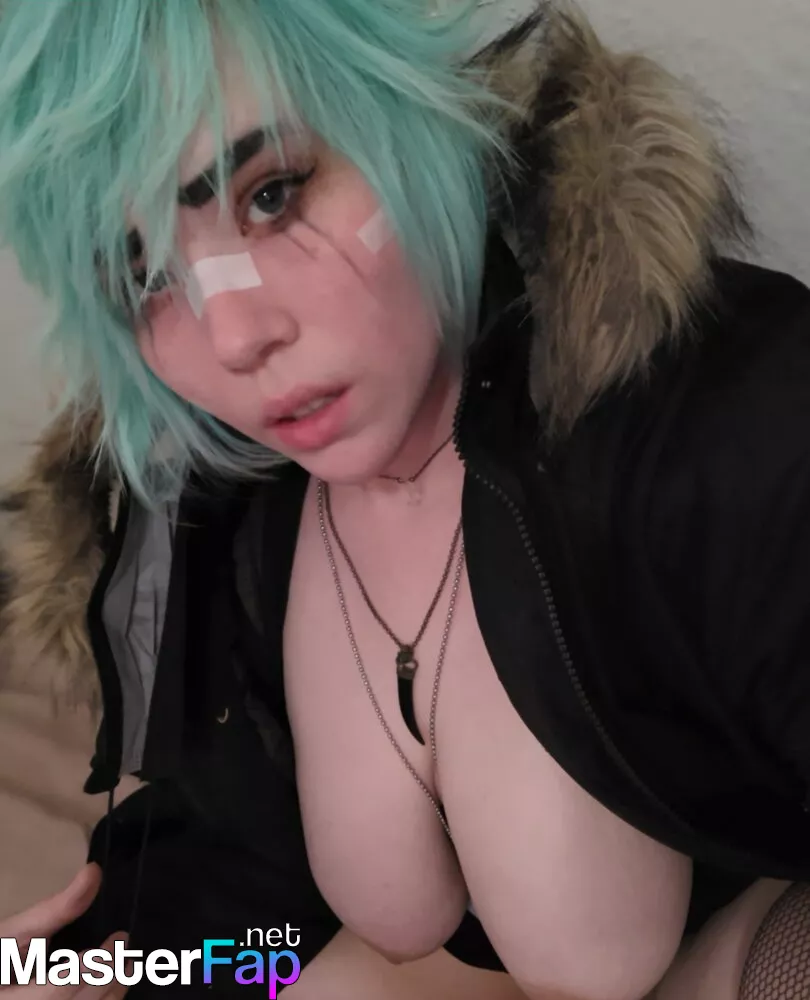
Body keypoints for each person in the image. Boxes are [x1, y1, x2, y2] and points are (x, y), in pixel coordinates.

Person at [1, 0, 809, 997]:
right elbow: (241, 891)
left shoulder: (720, 423)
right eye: (145, 277)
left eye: (273, 194)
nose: (235, 336)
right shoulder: (226, 522)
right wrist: (85, 964)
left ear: (408, 120)